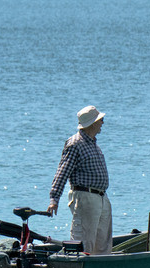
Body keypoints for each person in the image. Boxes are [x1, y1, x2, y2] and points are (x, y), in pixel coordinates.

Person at [46, 105, 112, 254]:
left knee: (103, 244)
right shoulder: (75, 143)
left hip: (101, 197)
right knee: (84, 241)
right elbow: (62, 172)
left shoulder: (93, 144)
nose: (103, 122)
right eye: (100, 120)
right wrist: (54, 199)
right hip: (85, 197)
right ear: (93, 123)